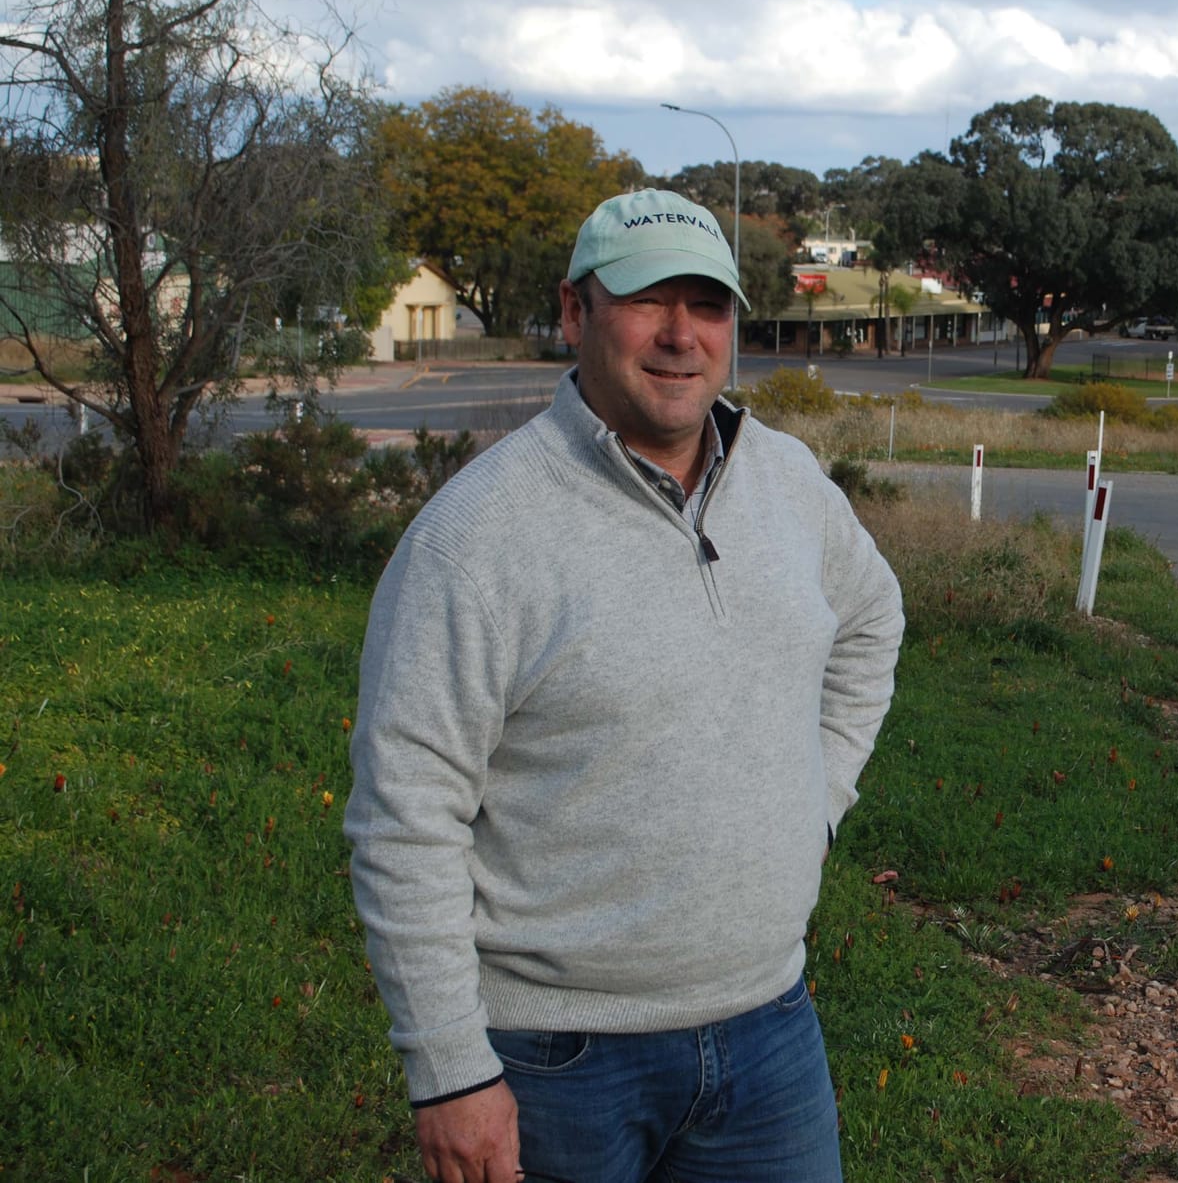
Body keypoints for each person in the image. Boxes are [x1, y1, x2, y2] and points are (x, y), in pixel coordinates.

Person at [345, 188, 904, 1183]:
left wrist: (816, 799)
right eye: (648, 301)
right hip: (553, 1062)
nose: (682, 336)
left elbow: (870, 620)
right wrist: (449, 1073)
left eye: (710, 305)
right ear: (574, 313)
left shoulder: (789, 485)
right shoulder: (474, 539)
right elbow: (404, 817)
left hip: (770, 1028)